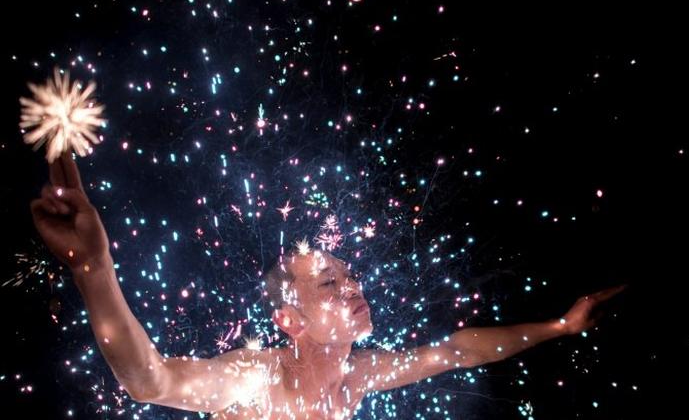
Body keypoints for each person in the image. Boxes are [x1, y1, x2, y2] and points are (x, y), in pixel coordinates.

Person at [31, 154, 626, 419]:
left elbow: (461, 350)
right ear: (290, 319)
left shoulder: (356, 378)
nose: (351, 286)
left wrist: (561, 327)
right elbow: (148, 381)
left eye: (349, 275)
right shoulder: (256, 379)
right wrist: (94, 266)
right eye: (328, 282)